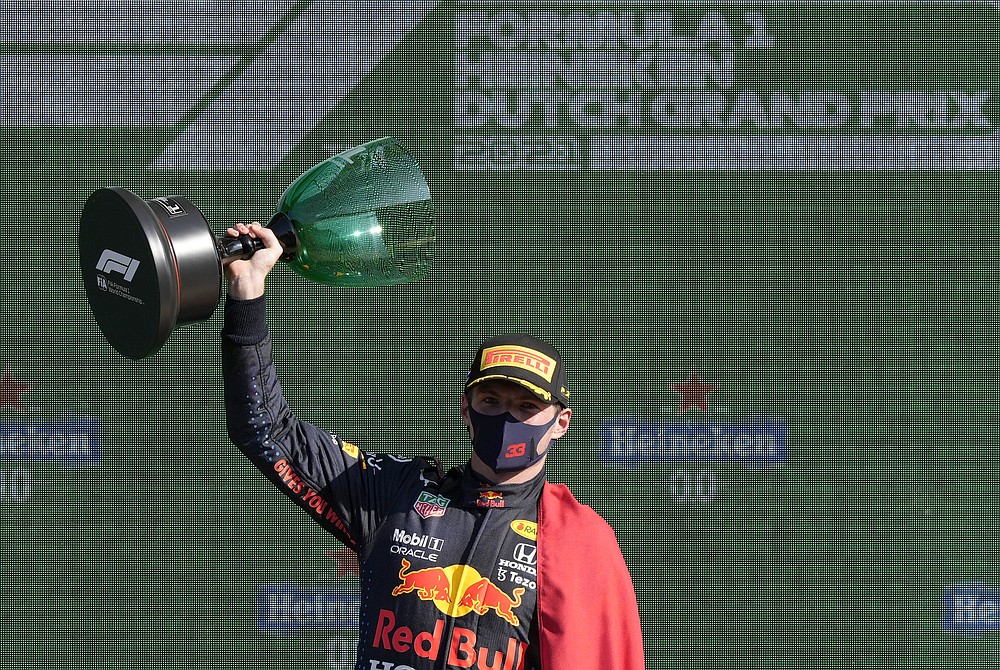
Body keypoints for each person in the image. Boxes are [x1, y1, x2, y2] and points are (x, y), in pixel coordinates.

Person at [221, 222, 644, 670]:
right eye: (491, 400)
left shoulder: (580, 540)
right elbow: (265, 429)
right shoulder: (398, 493)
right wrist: (248, 293)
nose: (506, 417)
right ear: (466, 409)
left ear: (560, 423)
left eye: (525, 406)